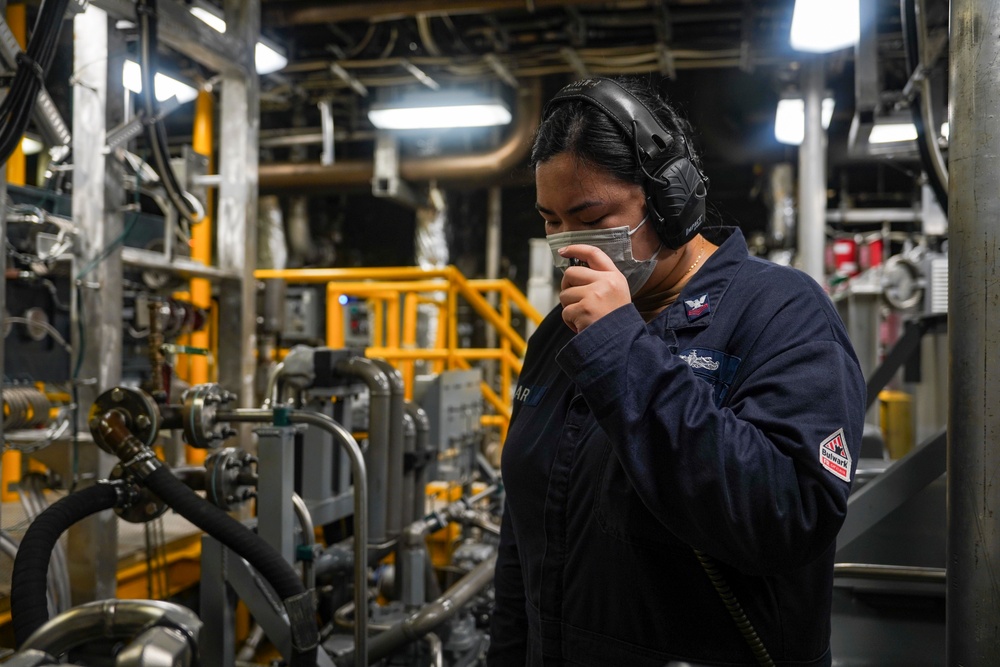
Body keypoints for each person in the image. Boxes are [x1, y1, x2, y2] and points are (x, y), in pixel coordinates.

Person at [488, 76, 866, 667]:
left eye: (589, 216)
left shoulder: (780, 311)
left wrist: (621, 350)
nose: (567, 244)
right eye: (551, 220)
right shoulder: (560, 332)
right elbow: (525, 537)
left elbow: (790, 516)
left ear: (671, 197)